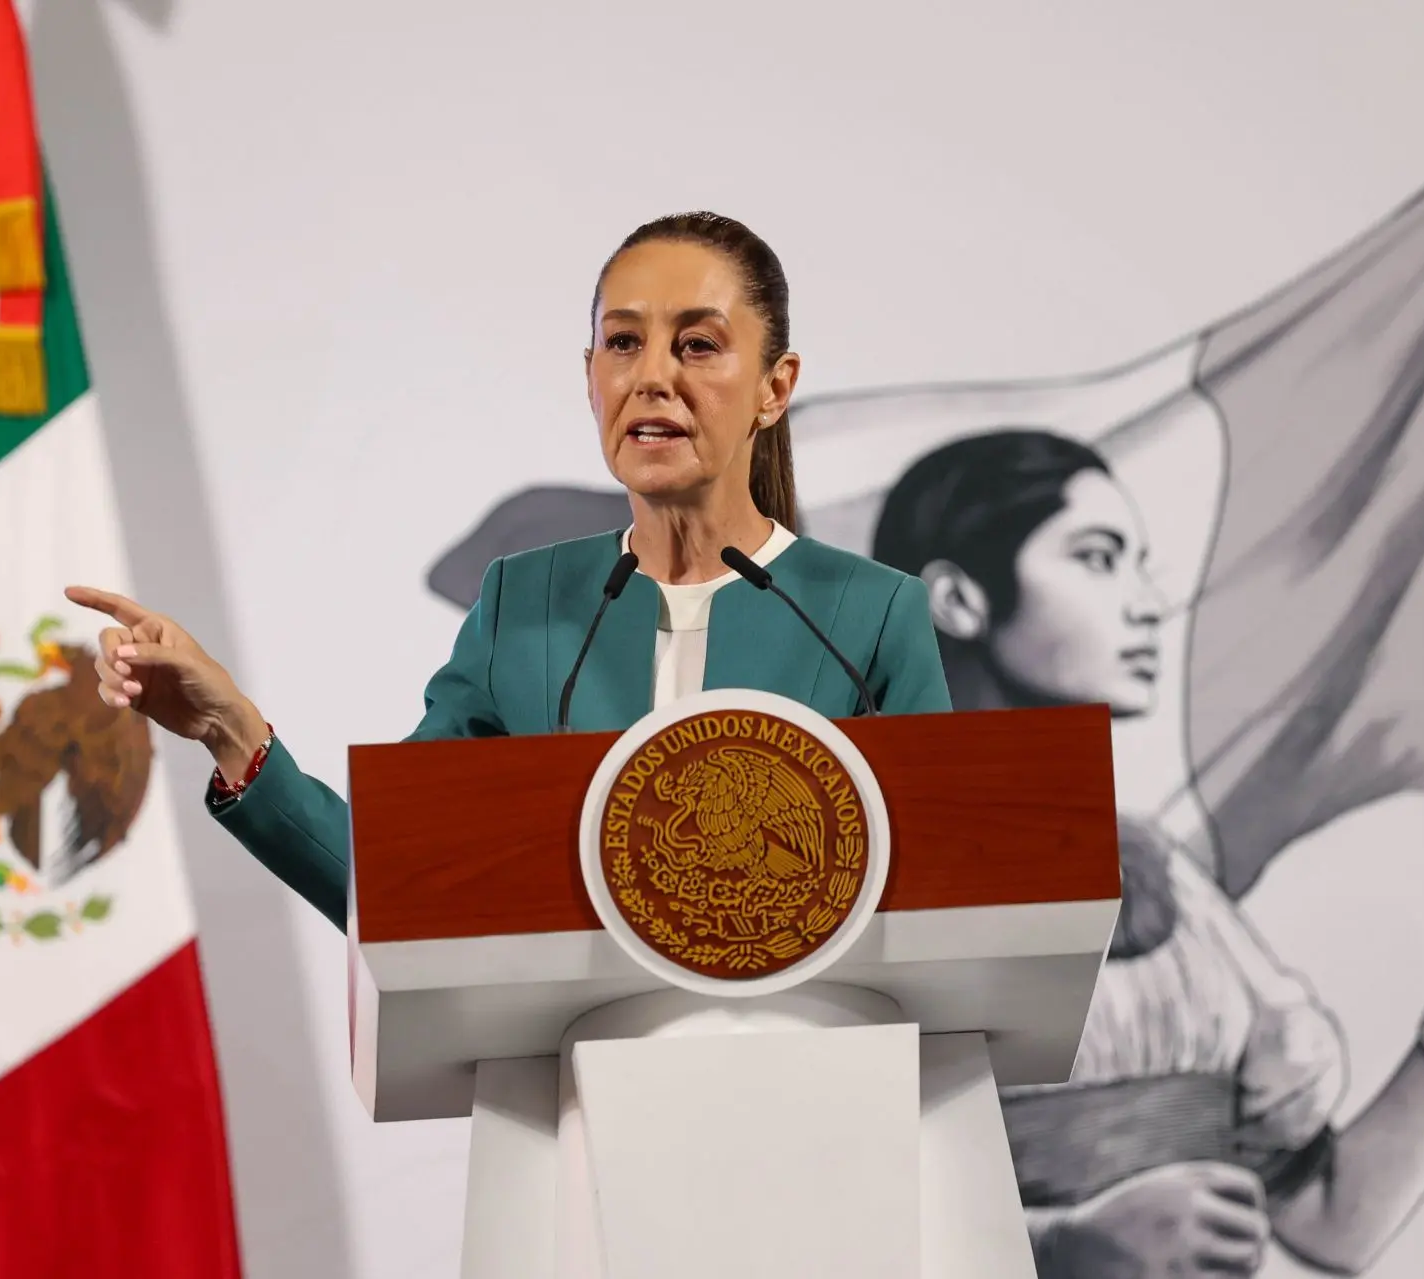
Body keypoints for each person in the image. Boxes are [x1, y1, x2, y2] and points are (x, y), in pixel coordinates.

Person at [66, 212, 952, 931]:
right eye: (622, 343)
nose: (651, 378)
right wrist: (231, 728)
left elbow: (951, 906)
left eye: (697, 346)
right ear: (589, 376)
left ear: (775, 385)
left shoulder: (866, 617)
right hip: (576, 1116)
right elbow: (396, 887)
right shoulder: (522, 610)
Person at [872, 429, 1424, 1278]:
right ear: (959, 600)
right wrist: (1060, 1246)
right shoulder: (856, 868)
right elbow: (789, 1213)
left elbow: (1328, 1221)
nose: (1145, 602)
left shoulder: (1157, 873)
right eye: (1097, 558)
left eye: (1139, 563)